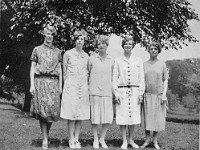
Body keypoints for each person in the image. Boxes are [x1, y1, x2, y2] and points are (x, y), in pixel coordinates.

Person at [29, 24, 62, 150]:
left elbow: (60, 69)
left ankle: (46, 134)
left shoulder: (58, 51)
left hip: (53, 83)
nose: (50, 36)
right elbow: (32, 68)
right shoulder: (37, 49)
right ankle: (45, 140)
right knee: (42, 113)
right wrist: (32, 85)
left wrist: (60, 86)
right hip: (40, 81)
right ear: (44, 34)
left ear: (54, 36)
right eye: (48, 33)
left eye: (52, 34)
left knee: (51, 113)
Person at [113, 35, 145, 149]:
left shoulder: (138, 60)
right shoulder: (117, 60)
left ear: (132, 46)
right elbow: (115, 78)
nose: (128, 46)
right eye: (126, 44)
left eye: (130, 44)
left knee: (133, 117)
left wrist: (141, 93)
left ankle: (131, 139)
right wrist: (116, 93)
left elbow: (141, 78)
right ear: (123, 46)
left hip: (135, 91)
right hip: (122, 91)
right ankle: (124, 141)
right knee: (123, 116)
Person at [60, 29, 90, 149]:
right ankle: (71, 139)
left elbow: (87, 72)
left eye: (82, 39)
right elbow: (65, 71)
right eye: (78, 39)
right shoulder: (67, 54)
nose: (79, 41)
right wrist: (66, 85)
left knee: (80, 115)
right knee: (71, 114)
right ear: (74, 40)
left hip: (82, 86)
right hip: (71, 85)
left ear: (84, 41)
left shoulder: (86, 56)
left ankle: (77, 138)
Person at [140, 41, 168, 149]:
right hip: (147, 94)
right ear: (148, 50)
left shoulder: (162, 64)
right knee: (147, 118)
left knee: (157, 119)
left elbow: (165, 80)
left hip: (158, 95)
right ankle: (147, 140)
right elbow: (141, 80)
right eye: (151, 48)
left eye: (155, 49)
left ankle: (155, 141)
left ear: (158, 51)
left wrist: (164, 94)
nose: (153, 50)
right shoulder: (144, 64)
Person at [88, 35, 114, 149]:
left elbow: (114, 76)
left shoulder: (112, 60)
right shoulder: (92, 58)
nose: (101, 45)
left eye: (103, 43)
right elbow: (88, 72)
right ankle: (95, 139)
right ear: (96, 46)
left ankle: (102, 139)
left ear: (107, 45)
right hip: (94, 90)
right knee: (95, 116)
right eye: (99, 44)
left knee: (107, 117)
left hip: (107, 91)